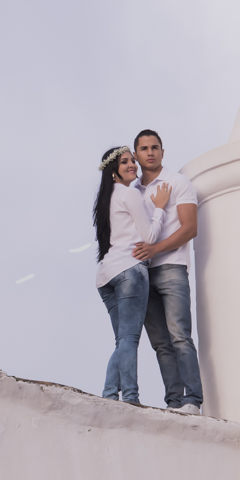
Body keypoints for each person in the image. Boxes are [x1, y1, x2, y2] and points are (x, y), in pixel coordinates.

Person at [130, 129, 203, 414]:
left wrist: (155, 250)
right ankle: (174, 403)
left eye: (155, 147)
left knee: (180, 336)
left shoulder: (178, 182)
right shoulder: (132, 190)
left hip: (171, 268)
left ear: (162, 151)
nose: (150, 152)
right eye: (144, 148)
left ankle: (193, 400)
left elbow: (190, 228)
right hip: (142, 274)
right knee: (160, 343)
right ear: (136, 154)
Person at [93, 145, 171, 406]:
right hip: (129, 270)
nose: (132, 166)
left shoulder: (105, 199)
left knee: (122, 340)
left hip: (106, 276)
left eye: (132, 162)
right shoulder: (128, 194)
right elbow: (149, 237)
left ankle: (108, 394)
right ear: (113, 170)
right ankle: (130, 397)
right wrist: (160, 208)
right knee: (129, 339)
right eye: (125, 162)